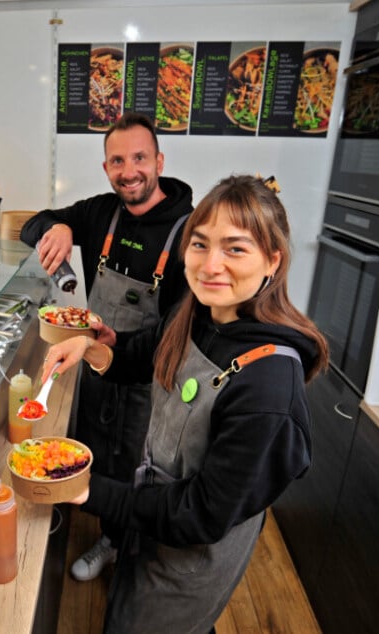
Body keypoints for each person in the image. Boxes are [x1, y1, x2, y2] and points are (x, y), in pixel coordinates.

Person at [42, 175, 329, 632]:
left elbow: (201, 513)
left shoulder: (269, 387)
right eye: (200, 244)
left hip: (188, 557)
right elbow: (144, 353)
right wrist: (90, 349)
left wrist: (88, 490)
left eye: (235, 249)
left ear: (272, 260)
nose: (211, 265)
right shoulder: (198, 313)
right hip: (151, 521)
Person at [20, 112, 193, 581]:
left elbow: (177, 333)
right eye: (117, 160)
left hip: (146, 377)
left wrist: (118, 350)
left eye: (139, 157)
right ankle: (93, 519)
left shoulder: (187, 234)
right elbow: (29, 226)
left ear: (158, 160)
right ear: (106, 168)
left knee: (132, 466)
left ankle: (119, 545)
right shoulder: (101, 211)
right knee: (89, 445)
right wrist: (56, 227)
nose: (129, 170)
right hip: (94, 364)